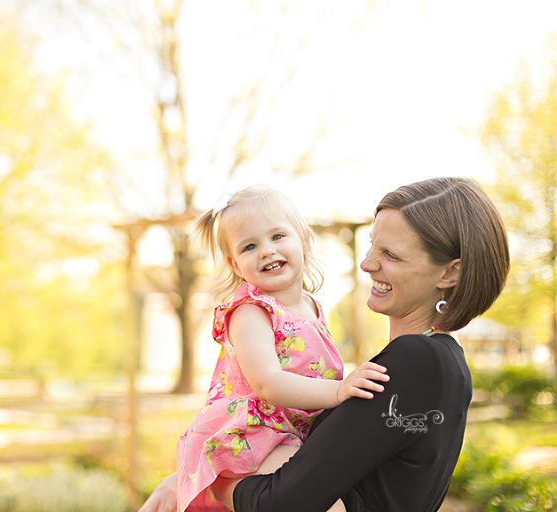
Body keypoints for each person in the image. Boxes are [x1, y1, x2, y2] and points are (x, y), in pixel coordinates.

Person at [140, 177, 510, 512]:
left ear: (449, 273)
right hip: (255, 430)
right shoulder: (437, 360)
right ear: (236, 264)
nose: (366, 264)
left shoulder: (419, 359)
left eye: (391, 255)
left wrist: (212, 483)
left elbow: (282, 501)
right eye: (371, 247)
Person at [175, 186, 389, 512]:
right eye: (250, 246)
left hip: (292, 433)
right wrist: (339, 390)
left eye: (277, 236)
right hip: (252, 432)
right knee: (319, 502)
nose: (265, 251)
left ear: (304, 240)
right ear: (235, 265)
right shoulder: (250, 310)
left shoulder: (313, 307)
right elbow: (267, 383)